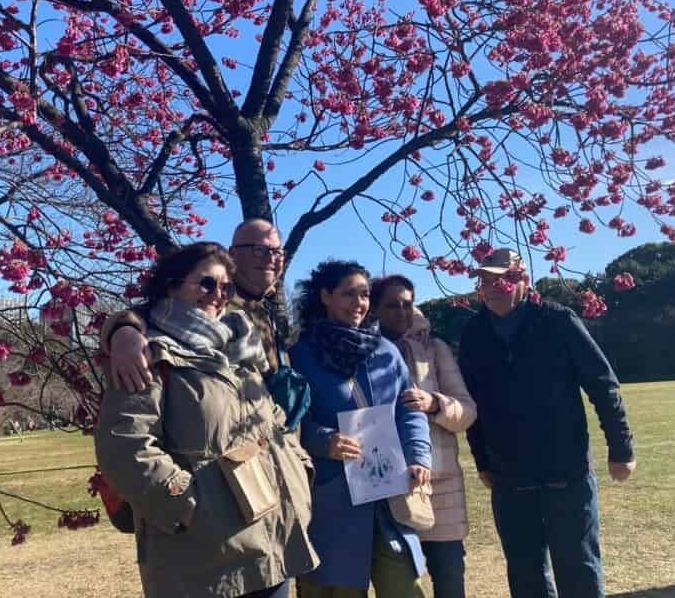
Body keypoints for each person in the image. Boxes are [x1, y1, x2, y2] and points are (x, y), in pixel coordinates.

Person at [95, 242, 318, 598]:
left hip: (271, 542)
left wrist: (299, 466)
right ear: (171, 285)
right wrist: (184, 504)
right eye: (206, 283)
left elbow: (274, 421)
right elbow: (124, 444)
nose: (218, 295)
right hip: (204, 557)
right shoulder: (150, 353)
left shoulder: (240, 351)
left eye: (226, 287)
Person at [457, 248, 636, 598]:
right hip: (509, 475)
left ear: (523, 279)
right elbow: (471, 401)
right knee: (525, 574)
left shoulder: (557, 320)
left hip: (565, 472)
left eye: (504, 278)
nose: (494, 287)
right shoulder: (474, 332)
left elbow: (602, 384)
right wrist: (482, 461)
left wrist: (621, 448)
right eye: (486, 280)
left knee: (579, 569)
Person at [289, 260, 432, 598]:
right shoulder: (300, 354)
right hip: (330, 497)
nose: (359, 303)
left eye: (365, 294)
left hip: (390, 494)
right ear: (325, 296)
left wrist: (418, 457)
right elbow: (291, 421)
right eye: (348, 294)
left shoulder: (386, 352)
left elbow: (409, 411)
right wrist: (324, 441)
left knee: (404, 587)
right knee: (334, 587)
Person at [370, 275, 477, 598]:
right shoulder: (362, 349)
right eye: (391, 305)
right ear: (375, 308)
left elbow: (468, 411)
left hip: (441, 486)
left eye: (407, 304)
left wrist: (435, 404)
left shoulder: (435, 349)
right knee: (400, 586)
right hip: (386, 484)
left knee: (449, 583)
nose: (401, 312)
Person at [102, 218, 290, 390]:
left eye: (277, 251)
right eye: (260, 250)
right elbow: (152, 313)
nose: (271, 258)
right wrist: (125, 332)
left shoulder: (264, 307)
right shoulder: (214, 304)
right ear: (233, 253)